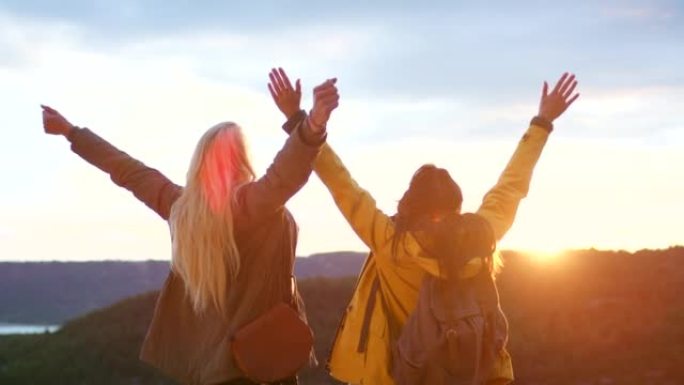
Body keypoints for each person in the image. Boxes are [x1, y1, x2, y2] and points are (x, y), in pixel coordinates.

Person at [269, 68, 579, 385]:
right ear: (456, 206)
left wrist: (300, 119)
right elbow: (511, 186)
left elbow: (342, 184)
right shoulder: (481, 236)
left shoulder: (390, 242)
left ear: (408, 203)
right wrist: (542, 123)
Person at [40, 76, 340, 385]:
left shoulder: (181, 208)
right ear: (241, 158)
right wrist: (314, 122)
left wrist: (70, 132)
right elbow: (286, 173)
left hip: (212, 369)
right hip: (264, 365)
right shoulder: (250, 205)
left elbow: (126, 169)